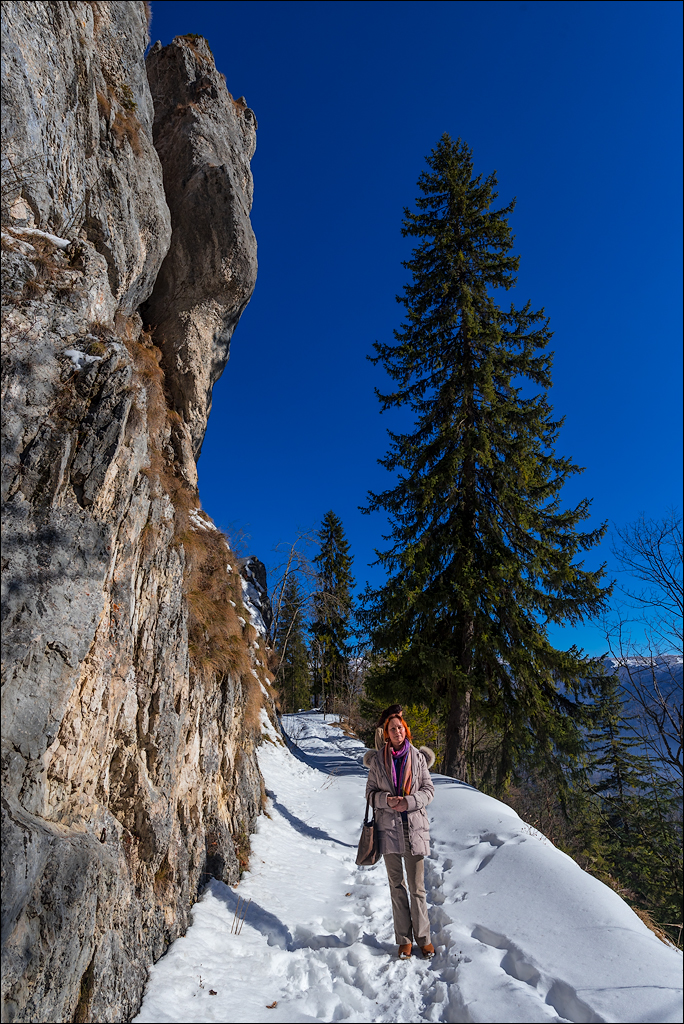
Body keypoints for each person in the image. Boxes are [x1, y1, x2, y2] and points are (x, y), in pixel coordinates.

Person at [364, 706, 436, 960]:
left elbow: (429, 790)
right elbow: (370, 793)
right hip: (388, 831)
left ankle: (424, 938)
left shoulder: (417, 758)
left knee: (417, 888)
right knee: (397, 886)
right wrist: (385, 800)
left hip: (414, 829)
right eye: (392, 728)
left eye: (400, 727)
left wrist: (409, 801)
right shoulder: (378, 761)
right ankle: (404, 939)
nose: (396, 731)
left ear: (406, 730)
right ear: (386, 734)